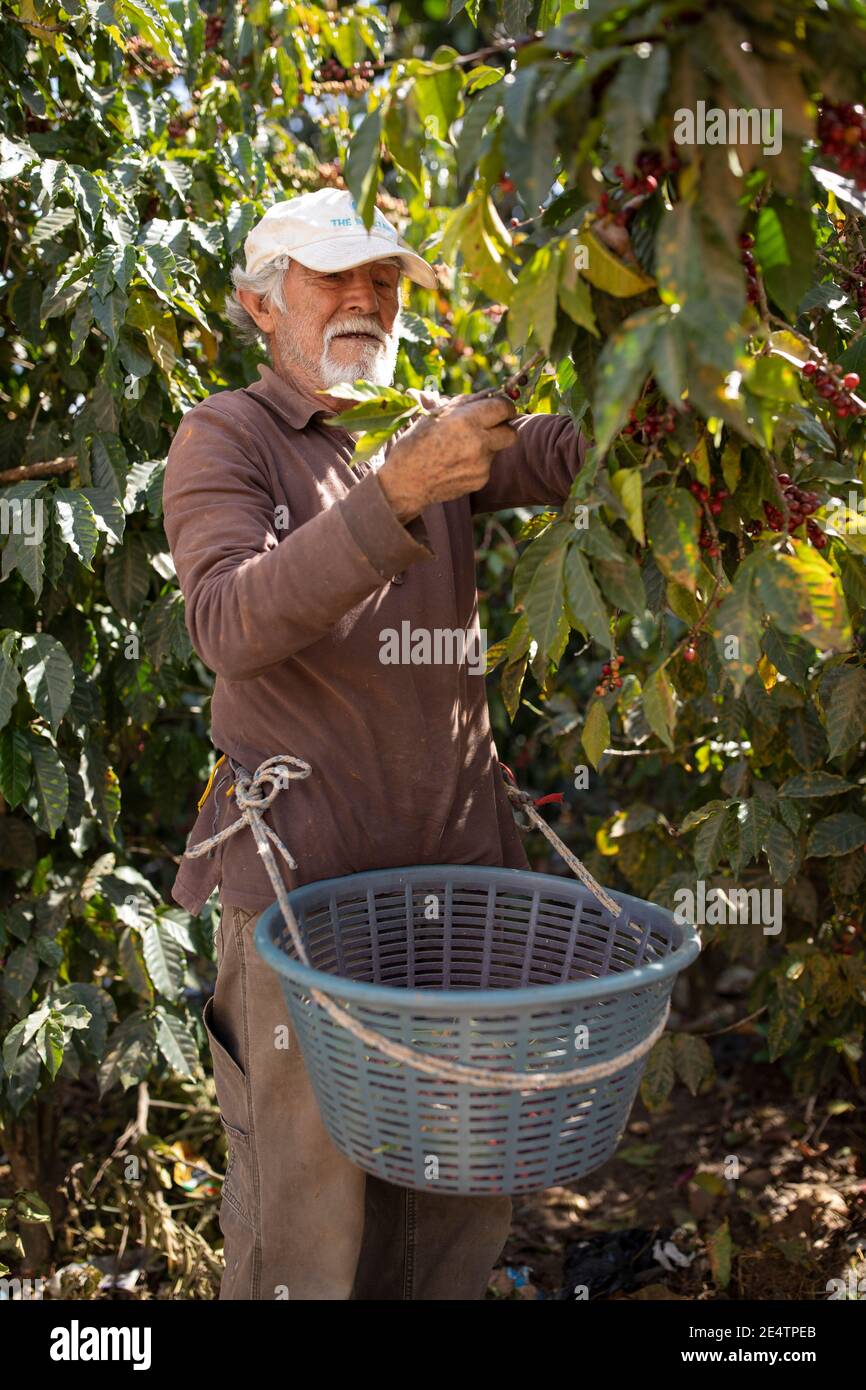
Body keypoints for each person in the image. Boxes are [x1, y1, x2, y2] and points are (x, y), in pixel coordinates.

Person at [162, 187, 586, 1300]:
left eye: (384, 278)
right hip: (302, 891)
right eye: (333, 276)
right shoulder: (228, 437)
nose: (366, 297)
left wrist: (659, 375)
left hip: (454, 882)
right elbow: (229, 622)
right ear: (261, 303)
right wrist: (395, 490)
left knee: (451, 1188)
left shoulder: (425, 429)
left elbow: (557, 454)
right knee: (310, 1210)